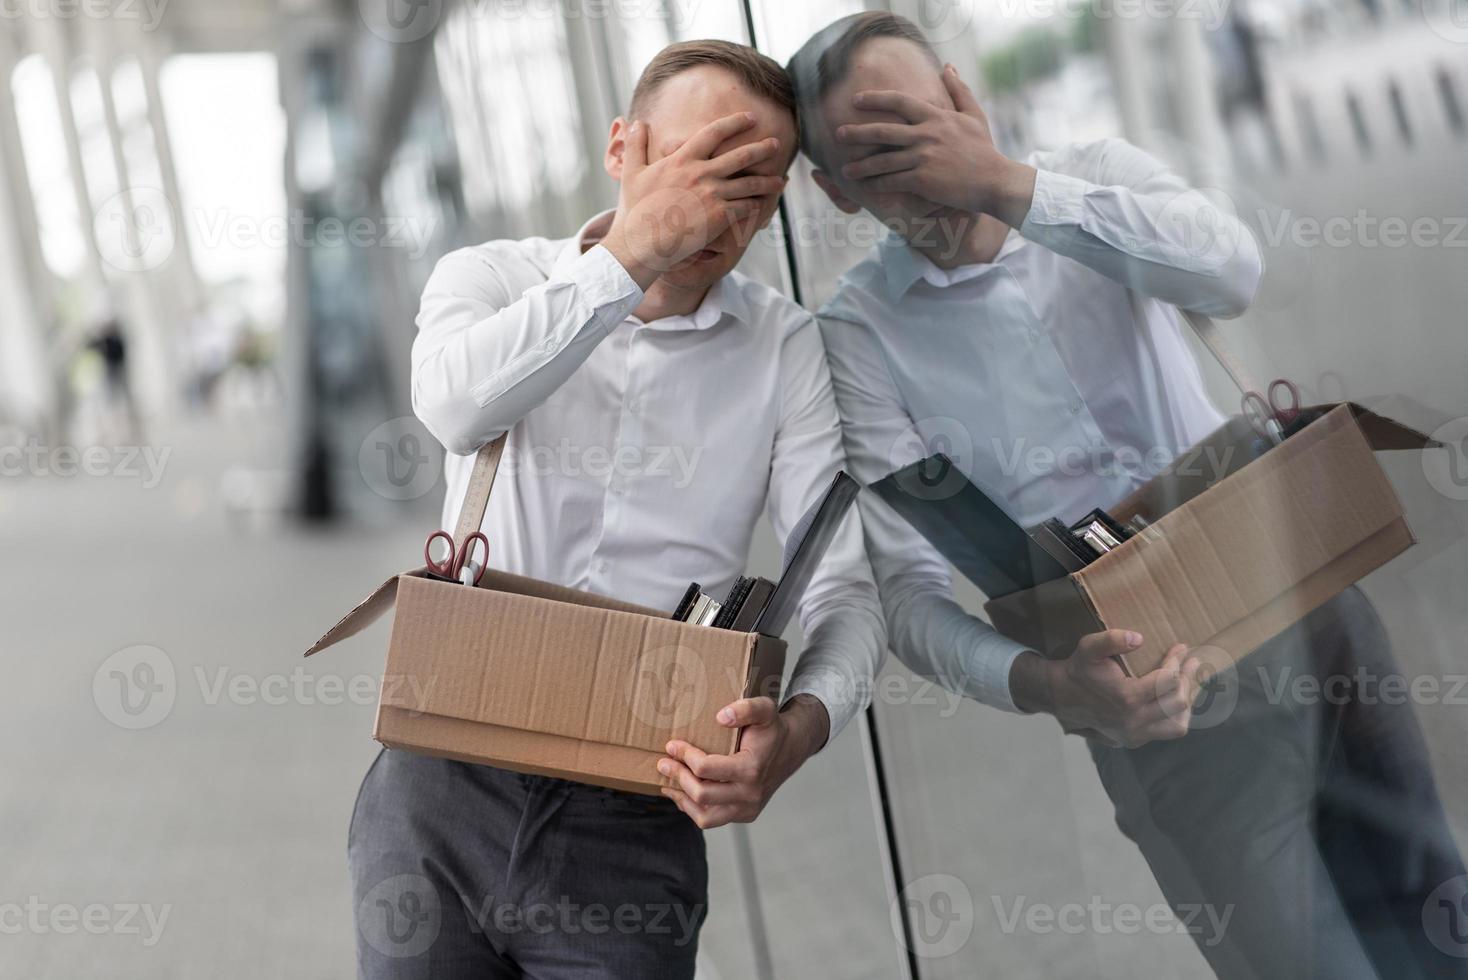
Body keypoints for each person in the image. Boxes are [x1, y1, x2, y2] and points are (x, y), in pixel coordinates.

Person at [790, 13, 1467, 978]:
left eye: (920, 127)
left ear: (960, 98)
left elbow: (1231, 269)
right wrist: (1053, 687)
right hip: (1166, 711)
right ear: (834, 191)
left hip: (1318, 617)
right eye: (877, 157)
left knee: (1441, 932)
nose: (917, 171)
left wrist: (1002, 184)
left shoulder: (1088, 175)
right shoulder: (859, 336)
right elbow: (908, 600)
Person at [347, 40, 886, 980]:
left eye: (748, 188)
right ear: (622, 150)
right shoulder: (490, 280)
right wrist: (629, 258)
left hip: (635, 818)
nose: (715, 211)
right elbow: (455, 409)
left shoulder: (783, 349)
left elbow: (846, 586)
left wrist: (796, 732)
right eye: (693, 167)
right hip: (439, 791)